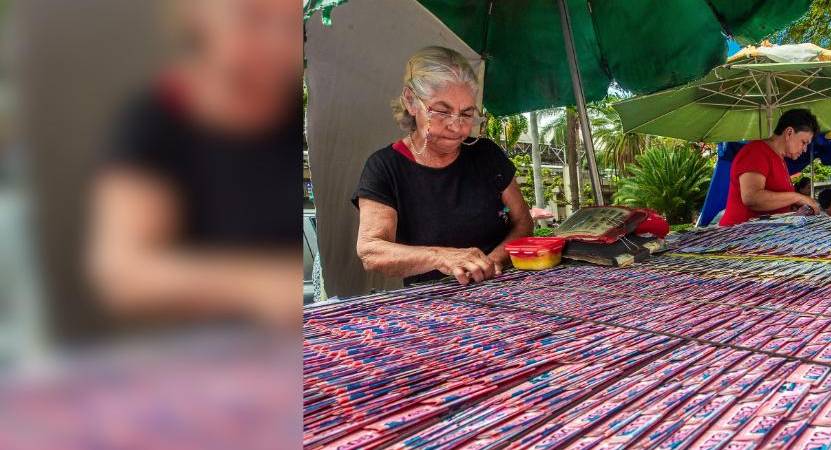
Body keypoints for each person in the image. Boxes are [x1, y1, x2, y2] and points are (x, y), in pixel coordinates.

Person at [88, 0, 302, 328]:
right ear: (197, 15)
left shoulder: (294, 114)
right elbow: (122, 272)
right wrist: (258, 284)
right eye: (253, 19)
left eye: (290, 25)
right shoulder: (157, 120)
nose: (277, 42)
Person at [352, 46, 532, 286]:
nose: (456, 127)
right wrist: (442, 257)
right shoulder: (385, 167)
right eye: (442, 111)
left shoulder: (486, 155)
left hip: (501, 286)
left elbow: (523, 222)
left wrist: (490, 263)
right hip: (433, 301)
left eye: (466, 114)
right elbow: (371, 250)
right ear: (410, 101)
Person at [720, 109, 822, 226]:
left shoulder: (780, 159)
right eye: (803, 142)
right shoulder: (756, 151)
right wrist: (798, 198)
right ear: (789, 133)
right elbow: (751, 198)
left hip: (765, 233)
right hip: (741, 234)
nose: (804, 149)